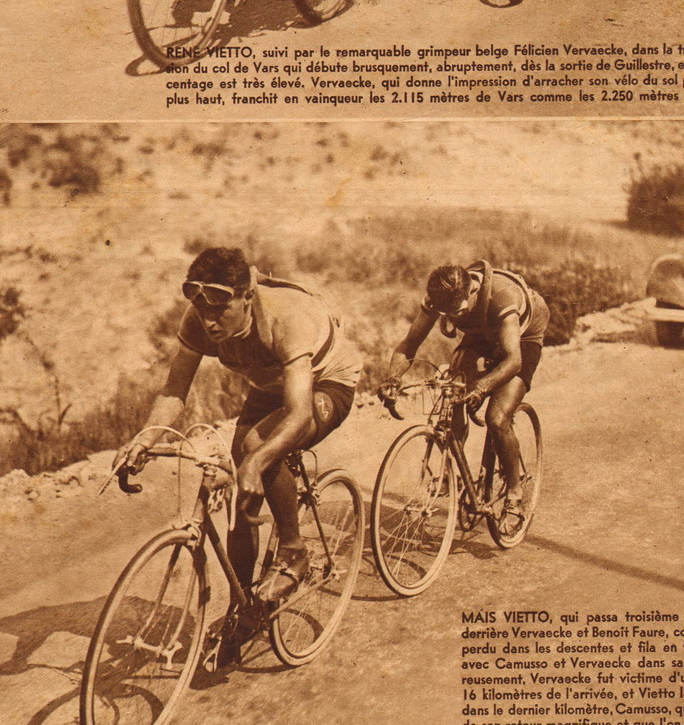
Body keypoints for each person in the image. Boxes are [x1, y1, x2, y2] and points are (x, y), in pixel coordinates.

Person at [116, 246, 361, 613]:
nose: (210, 321)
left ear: (247, 297)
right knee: (239, 505)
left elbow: (296, 415)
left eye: (220, 310)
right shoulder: (198, 319)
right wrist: (144, 437)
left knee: (259, 448)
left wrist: (258, 459)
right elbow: (174, 390)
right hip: (268, 388)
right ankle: (242, 608)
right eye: (203, 310)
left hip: (325, 385)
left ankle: (294, 552)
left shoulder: (284, 318)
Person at [382, 261, 549, 534]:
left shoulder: (501, 297)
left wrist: (482, 387)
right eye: (446, 315)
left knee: (497, 418)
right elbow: (410, 343)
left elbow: (513, 360)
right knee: (452, 392)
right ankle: (452, 470)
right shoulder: (441, 300)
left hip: (522, 336)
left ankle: (515, 493)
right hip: (481, 331)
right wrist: (392, 378)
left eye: (456, 312)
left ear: (472, 291)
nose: (452, 319)